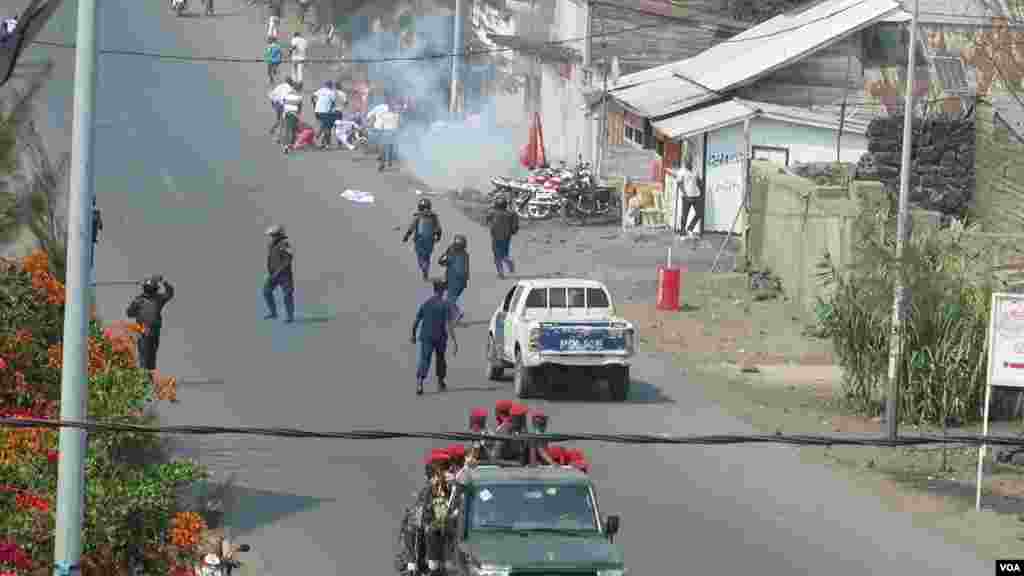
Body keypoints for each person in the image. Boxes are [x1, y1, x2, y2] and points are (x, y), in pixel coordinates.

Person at [411, 279, 457, 396]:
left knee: (424, 359)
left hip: (426, 337)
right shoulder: (445, 305)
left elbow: (416, 320)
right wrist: (454, 341)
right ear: (442, 290)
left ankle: (420, 383)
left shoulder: (426, 303)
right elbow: (449, 325)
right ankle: (440, 382)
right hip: (440, 337)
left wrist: (413, 335)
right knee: (440, 359)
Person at [125, 275, 175, 374]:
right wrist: (137, 312)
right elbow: (129, 313)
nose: (150, 291)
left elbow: (170, 293)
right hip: (143, 330)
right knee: (144, 354)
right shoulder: (139, 300)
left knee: (151, 354)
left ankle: (149, 375)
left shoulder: (158, 299)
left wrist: (163, 281)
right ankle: (144, 375)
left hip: (154, 330)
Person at [402, 198, 442, 281]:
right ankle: (426, 269)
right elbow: (439, 228)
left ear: (420, 206)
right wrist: (438, 236)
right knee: (427, 256)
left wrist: (406, 236)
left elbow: (411, 227)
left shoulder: (418, 216)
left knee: (420, 255)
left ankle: (423, 266)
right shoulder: (433, 216)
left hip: (419, 239)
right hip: (430, 240)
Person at [263, 224, 295, 323]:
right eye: (271, 235)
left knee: (287, 295)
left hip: (284, 275)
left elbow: (288, 259)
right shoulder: (271, 245)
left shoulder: (285, 244)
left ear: (279, 234)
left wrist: (279, 271)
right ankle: (273, 313)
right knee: (266, 291)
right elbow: (270, 258)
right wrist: (271, 271)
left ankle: (290, 316)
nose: (271, 237)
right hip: (273, 274)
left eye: (273, 235)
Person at [438, 234, 469, 323]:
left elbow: (441, 261)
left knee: (449, 300)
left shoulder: (453, 254)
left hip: (454, 280)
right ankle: (454, 316)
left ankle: (457, 314)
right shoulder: (465, 255)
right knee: (451, 299)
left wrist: (446, 253)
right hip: (461, 282)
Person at [485, 197, 518, 279]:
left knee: (497, 255)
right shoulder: (511, 214)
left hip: (496, 236)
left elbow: (487, 220)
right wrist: (512, 232)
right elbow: (515, 227)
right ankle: (509, 263)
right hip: (507, 237)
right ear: (505, 205)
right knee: (504, 254)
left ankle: (501, 273)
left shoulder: (492, 212)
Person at [676, 158, 703, 238]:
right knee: (684, 215)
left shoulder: (695, 170)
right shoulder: (681, 172)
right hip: (686, 197)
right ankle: (682, 233)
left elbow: (698, 181)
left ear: (691, 161)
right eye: (686, 162)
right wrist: (685, 194)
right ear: (684, 162)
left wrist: (701, 191)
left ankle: (690, 228)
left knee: (699, 213)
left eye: (689, 161)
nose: (688, 163)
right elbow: (680, 184)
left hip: (696, 195)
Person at [373, 103, 400, 171]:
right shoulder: (396, 115)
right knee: (390, 146)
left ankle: (382, 164)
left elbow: (380, 125)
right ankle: (389, 161)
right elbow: (398, 125)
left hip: (386, 132)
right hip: (392, 132)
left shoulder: (383, 115)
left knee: (383, 148)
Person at [312, 80, 338, 149]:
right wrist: (331, 109)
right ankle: (327, 144)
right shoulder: (331, 92)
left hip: (317, 111)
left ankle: (316, 140)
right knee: (327, 128)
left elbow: (313, 96)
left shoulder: (320, 90)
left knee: (322, 126)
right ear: (330, 85)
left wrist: (315, 105)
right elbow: (333, 102)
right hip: (325, 112)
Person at [268, 77, 294, 142]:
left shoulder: (280, 86)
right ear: (290, 82)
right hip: (283, 105)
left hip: (277, 104)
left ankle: (273, 129)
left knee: (279, 119)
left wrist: (273, 104)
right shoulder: (290, 89)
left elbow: (271, 95)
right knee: (283, 122)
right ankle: (278, 138)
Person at [281, 89, 304, 154]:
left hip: (286, 114)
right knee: (293, 130)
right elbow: (300, 107)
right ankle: (289, 145)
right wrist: (298, 114)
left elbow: (283, 104)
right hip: (293, 114)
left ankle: (288, 145)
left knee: (287, 130)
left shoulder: (286, 96)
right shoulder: (298, 97)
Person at [90, 197, 103, 270]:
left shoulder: (96, 212)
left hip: (91, 237)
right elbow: (101, 226)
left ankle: (90, 263)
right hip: (91, 237)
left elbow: (100, 226)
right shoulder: (96, 212)